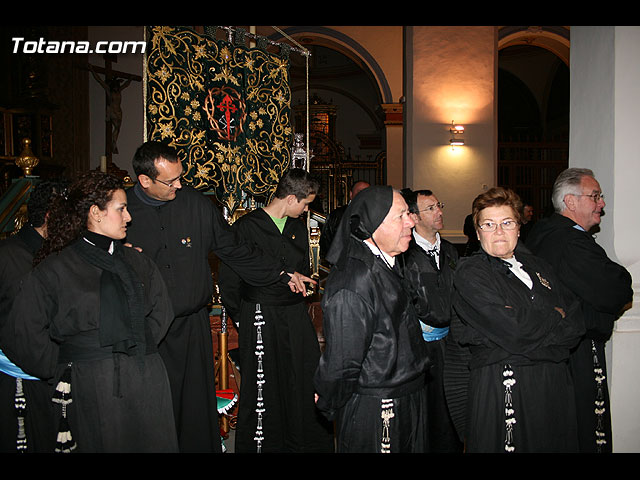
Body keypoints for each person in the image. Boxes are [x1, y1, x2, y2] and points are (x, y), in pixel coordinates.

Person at [124, 141, 315, 453]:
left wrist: (282, 273)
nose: (179, 185)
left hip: (191, 327)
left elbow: (234, 249)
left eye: (180, 176)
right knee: (153, 405)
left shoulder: (194, 204)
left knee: (195, 409)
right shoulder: (122, 211)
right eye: (170, 181)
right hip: (146, 331)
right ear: (144, 180)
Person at [1, 171, 178, 452]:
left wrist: (136, 344)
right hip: (90, 383)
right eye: (121, 209)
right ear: (95, 213)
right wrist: (62, 367)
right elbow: (22, 331)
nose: (128, 217)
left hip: (146, 378)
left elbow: (162, 310)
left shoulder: (137, 261)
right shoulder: (56, 267)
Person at [447, 187, 584, 453]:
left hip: (553, 386)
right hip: (503, 386)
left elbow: (577, 323)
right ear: (478, 233)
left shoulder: (540, 267)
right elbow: (514, 330)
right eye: (489, 224)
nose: (498, 231)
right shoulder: (472, 272)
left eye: (507, 223)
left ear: (519, 228)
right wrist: (554, 314)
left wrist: (526, 325)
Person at [218, 168, 334, 453]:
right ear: (292, 198)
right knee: (263, 386)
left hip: (294, 315)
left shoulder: (297, 225)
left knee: (303, 378)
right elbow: (229, 280)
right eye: (306, 203)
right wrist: (242, 317)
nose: (308, 209)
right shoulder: (247, 227)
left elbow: (299, 268)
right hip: (259, 315)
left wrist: (305, 282)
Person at [314, 186, 430, 453]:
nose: (411, 221)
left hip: (403, 399)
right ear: (372, 225)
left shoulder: (384, 263)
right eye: (401, 216)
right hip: (377, 410)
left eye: (409, 214)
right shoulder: (354, 280)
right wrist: (329, 399)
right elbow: (342, 364)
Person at [526, 168, 632, 453]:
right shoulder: (570, 242)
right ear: (570, 202)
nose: (602, 203)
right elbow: (617, 289)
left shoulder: (544, 232)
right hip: (577, 353)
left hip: (553, 350)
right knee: (584, 427)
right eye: (595, 196)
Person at [0, 180, 66, 453]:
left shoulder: (61, 253)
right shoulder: (7, 257)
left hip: (56, 374)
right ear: (52, 217)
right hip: (18, 380)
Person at [399, 188, 462, 453]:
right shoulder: (404, 253)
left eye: (439, 205)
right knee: (421, 414)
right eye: (431, 208)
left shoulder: (450, 251)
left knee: (450, 410)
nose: (439, 212)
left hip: (451, 346)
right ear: (413, 216)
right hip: (418, 347)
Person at [319, 180, 369, 261]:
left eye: (367, 192)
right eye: (360, 192)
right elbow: (326, 243)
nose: (364, 195)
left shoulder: (375, 215)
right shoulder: (337, 215)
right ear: (351, 194)